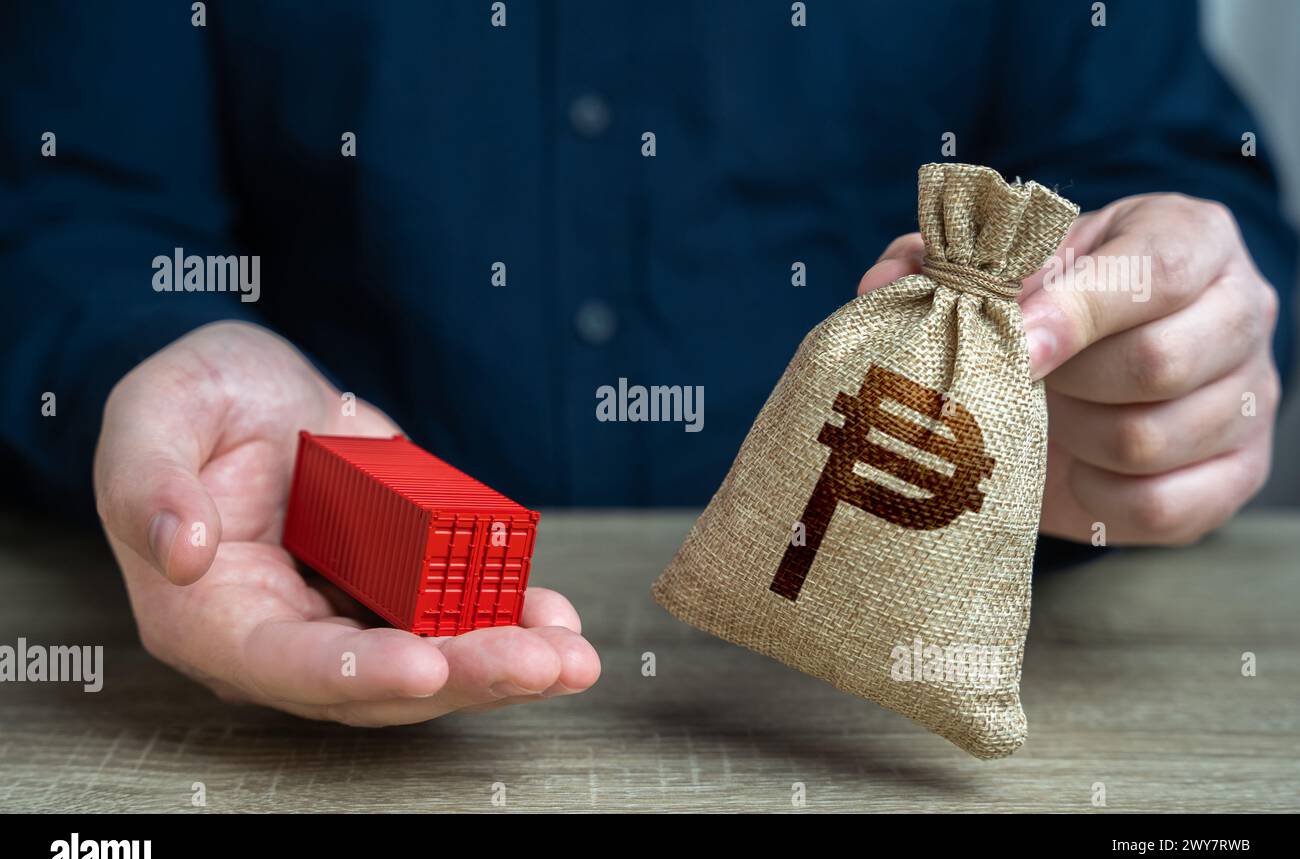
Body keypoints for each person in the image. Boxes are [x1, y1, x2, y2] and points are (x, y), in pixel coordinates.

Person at [1, 1, 1293, 725]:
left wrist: (1174, 337)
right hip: (294, 623)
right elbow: (71, 200)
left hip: (974, 685)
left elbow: (1161, 163)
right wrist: (146, 353)